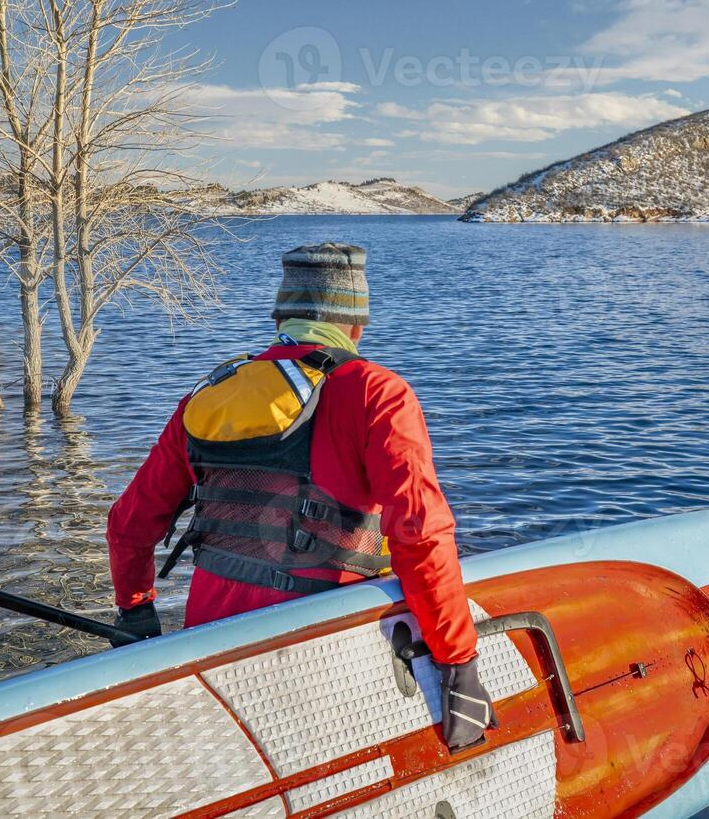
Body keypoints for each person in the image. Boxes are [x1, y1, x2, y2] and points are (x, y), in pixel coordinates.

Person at [106, 242, 496, 751]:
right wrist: (458, 661)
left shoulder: (211, 394)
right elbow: (419, 532)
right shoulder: (377, 392)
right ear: (356, 324)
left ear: (280, 317)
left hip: (211, 644)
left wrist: (136, 612)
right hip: (324, 650)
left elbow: (129, 525)